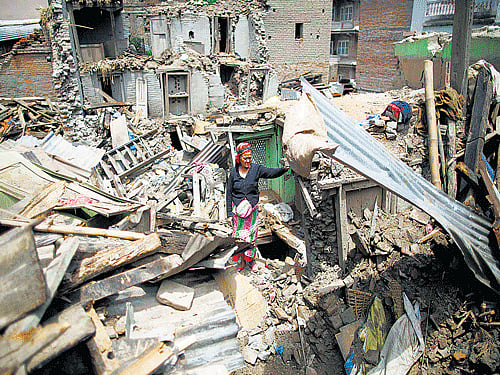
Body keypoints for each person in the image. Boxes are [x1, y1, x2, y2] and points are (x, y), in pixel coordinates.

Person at [226, 142, 289, 270]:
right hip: (238, 213)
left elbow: (272, 173)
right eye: (245, 158)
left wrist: (284, 169)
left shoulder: (256, 169)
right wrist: (228, 215)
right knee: (238, 238)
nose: (248, 161)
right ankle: (242, 262)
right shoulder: (233, 173)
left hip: (251, 211)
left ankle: (251, 261)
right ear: (239, 158)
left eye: (250, 158)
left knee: (251, 237)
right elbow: (228, 195)